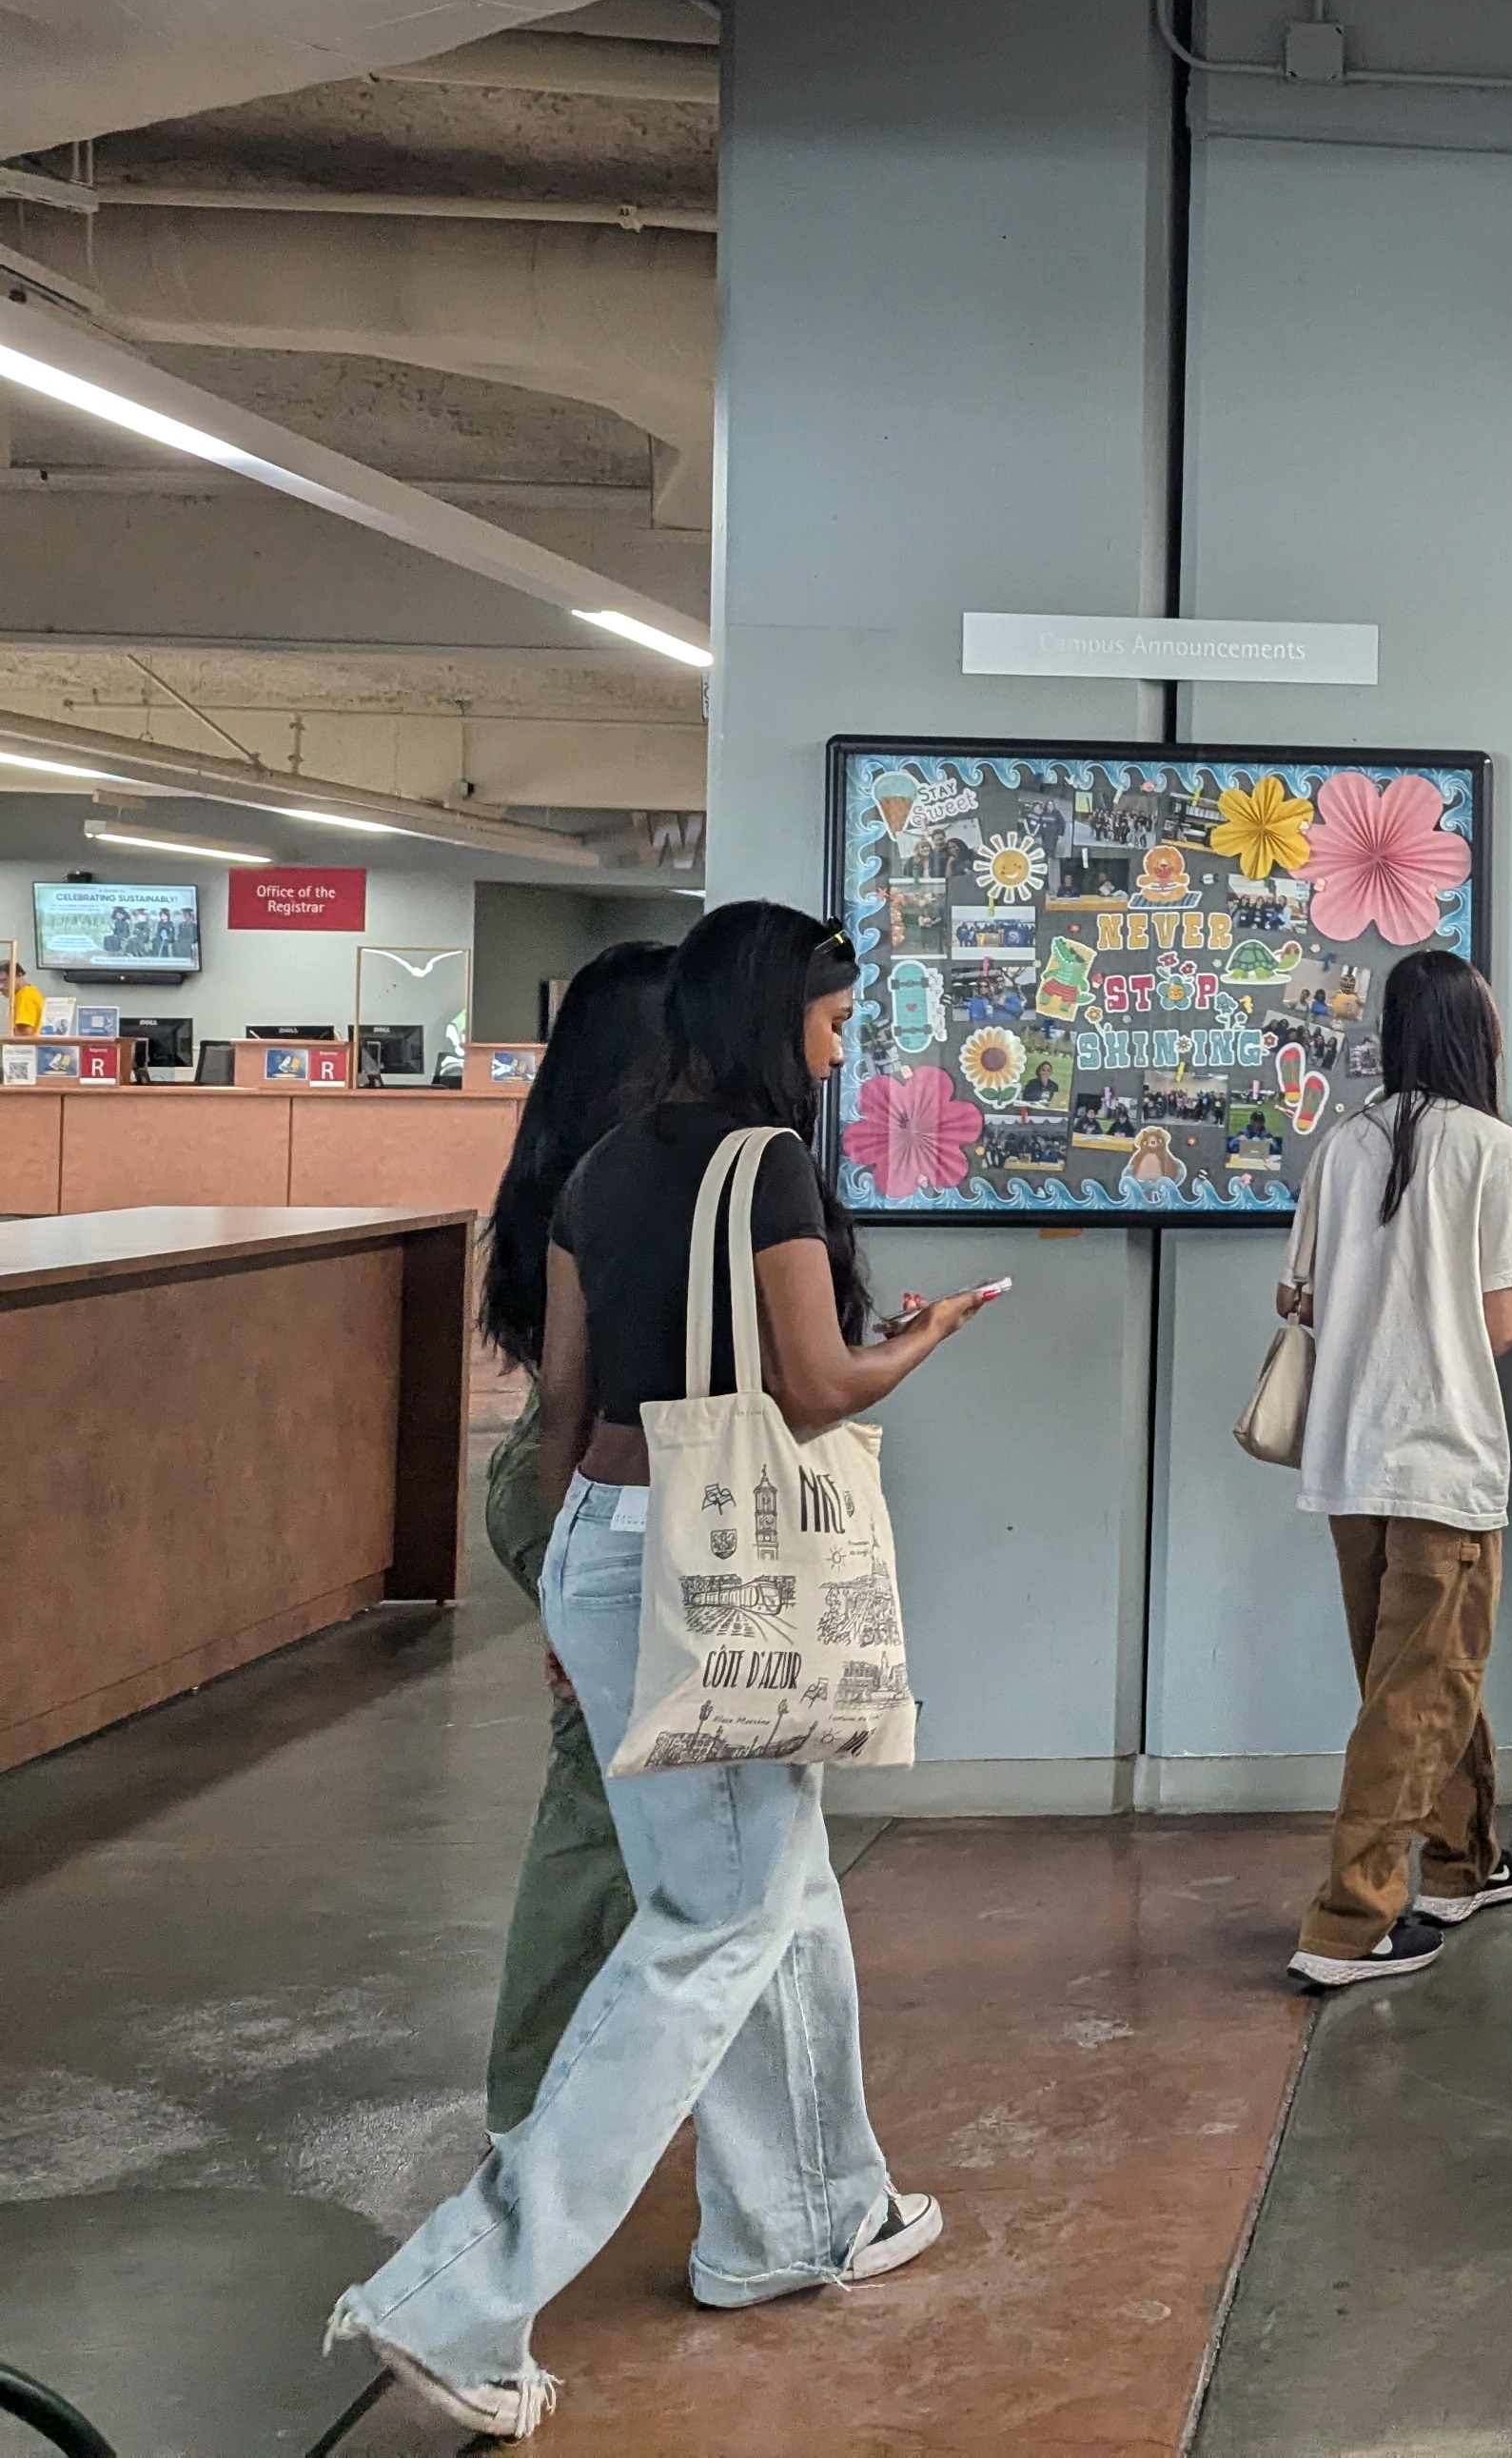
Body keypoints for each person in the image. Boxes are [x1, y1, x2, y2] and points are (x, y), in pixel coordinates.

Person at [330, 903, 993, 2441]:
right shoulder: (769, 1164)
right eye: (833, 1018)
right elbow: (815, 1390)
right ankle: (461, 2292)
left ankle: (806, 2215)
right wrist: (928, 1336)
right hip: (723, 1560)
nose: (841, 1046)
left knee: (783, 1896)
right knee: (711, 1927)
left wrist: (574, 1604)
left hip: (605, 1545)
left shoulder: (606, 1168)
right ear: (774, 1012)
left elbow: (563, 1408)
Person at [1286, 951, 1512, 1986]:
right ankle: (1350, 1922)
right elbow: (1503, 1324)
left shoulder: (1340, 1147)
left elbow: (1300, 1297)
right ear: (1473, 1034)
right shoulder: (1494, 1150)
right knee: (1415, 1696)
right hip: (1443, 1458)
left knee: (1419, 1680)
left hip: (1347, 1457)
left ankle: (1464, 1860)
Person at [471, 940, 673, 2135]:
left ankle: (580, 2084)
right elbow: (573, 1403)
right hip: (586, 1490)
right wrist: (569, 1571)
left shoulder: (567, 1170)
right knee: (600, 1803)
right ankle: (535, 2100)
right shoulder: (624, 1183)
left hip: (571, 1489)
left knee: (625, 1799)